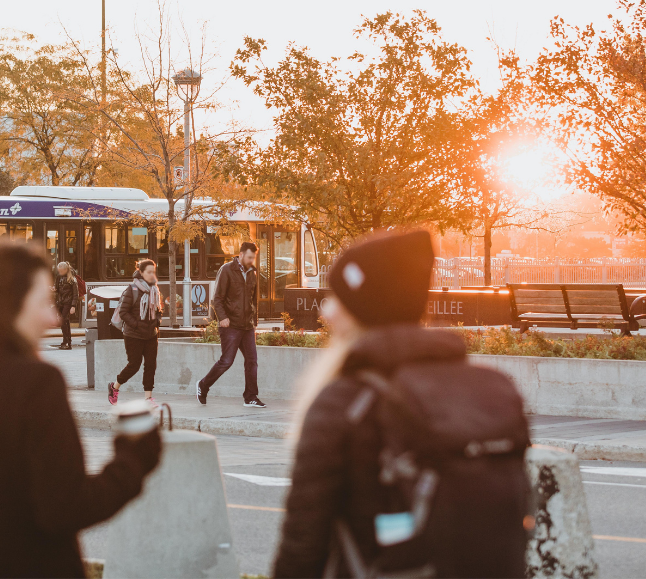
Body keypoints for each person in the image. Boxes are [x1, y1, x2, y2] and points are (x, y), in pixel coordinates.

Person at [273, 231, 530, 578]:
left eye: (337, 300)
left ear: (362, 309)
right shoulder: (489, 388)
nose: (326, 312)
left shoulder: (345, 401)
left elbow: (303, 542)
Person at [0, 243, 162, 578]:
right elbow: (65, 506)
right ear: (6, 306)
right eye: (42, 302)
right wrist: (134, 459)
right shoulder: (35, 384)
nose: (52, 317)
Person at [197, 241, 266, 408]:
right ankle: (203, 385)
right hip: (230, 325)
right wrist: (222, 317)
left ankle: (250, 397)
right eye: (249, 257)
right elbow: (217, 299)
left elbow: (253, 300)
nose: (251, 260)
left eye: (253, 257)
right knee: (227, 361)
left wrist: (254, 321)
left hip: (247, 326)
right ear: (241, 255)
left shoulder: (252, 273)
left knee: (252, 361)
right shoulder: (227, 270)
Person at [108, 259, 162, 408]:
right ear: (141, 272)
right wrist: (137, 325)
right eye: (149, 272)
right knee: (134, 365)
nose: (152, 275)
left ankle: (148, 398)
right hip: (134, 334)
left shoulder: (155, 289)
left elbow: (158, 310)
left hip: (151, 334)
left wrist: (157, 321)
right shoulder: (132, 289)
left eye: (153, 272)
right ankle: (115, 386)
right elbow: (124, 312)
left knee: (151, 365)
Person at [54, 261, 79, 349]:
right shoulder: (58, 277)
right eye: (59, 271)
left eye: (61, 271)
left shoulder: (72, 279)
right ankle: (67, 341)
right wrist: (53, 289)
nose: (60, 273)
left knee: (63, 321)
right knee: (65, 321)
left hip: (68, 303)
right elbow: (57, 289)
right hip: (60, 303)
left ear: (65, 270)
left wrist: (73, 306)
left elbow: (76, 294)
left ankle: (66, 342)